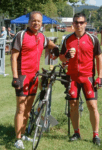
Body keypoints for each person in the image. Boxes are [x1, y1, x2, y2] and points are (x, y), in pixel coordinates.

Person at [11, 11, 59, 149]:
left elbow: (50, 44)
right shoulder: (21, 36)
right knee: (20, 109)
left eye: (39, 21)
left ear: (41, 23)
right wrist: (15, 77)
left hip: (34, 77)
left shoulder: (41, 37)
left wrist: (55, 48)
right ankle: (17, 139)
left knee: (28, 109)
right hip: (22, 76)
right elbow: (13, 57)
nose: (36, 23)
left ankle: (23, 132)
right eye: (34, 20)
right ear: (29, 21)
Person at [59, 13, 102, 146]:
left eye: (81, 22)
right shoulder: (67, 39)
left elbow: (99, 58)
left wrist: (100, 77)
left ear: (85, 23)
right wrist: (66, 56)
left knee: (93, 106)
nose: (79, 24)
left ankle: (96, 135)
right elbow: (61, 57)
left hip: (88, 77)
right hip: (72, 77)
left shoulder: (93, 39)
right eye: (76, 22)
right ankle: (76, 132)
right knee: (73, 106)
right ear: (73, 23)